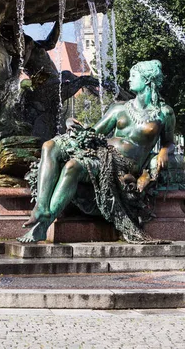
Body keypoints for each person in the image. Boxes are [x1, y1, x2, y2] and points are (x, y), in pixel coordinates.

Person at [19, 60, 175, 243]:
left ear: (147, 80)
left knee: (72, 166)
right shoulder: (120, 108)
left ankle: (44, 225)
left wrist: (164, 151)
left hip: (123, 164)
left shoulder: (164, 113)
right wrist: (73, 124)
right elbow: (93, 133)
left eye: (134, 76)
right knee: (49, 146)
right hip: (102, 150)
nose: (129, 79)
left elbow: (169, 142)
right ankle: (42, 207)